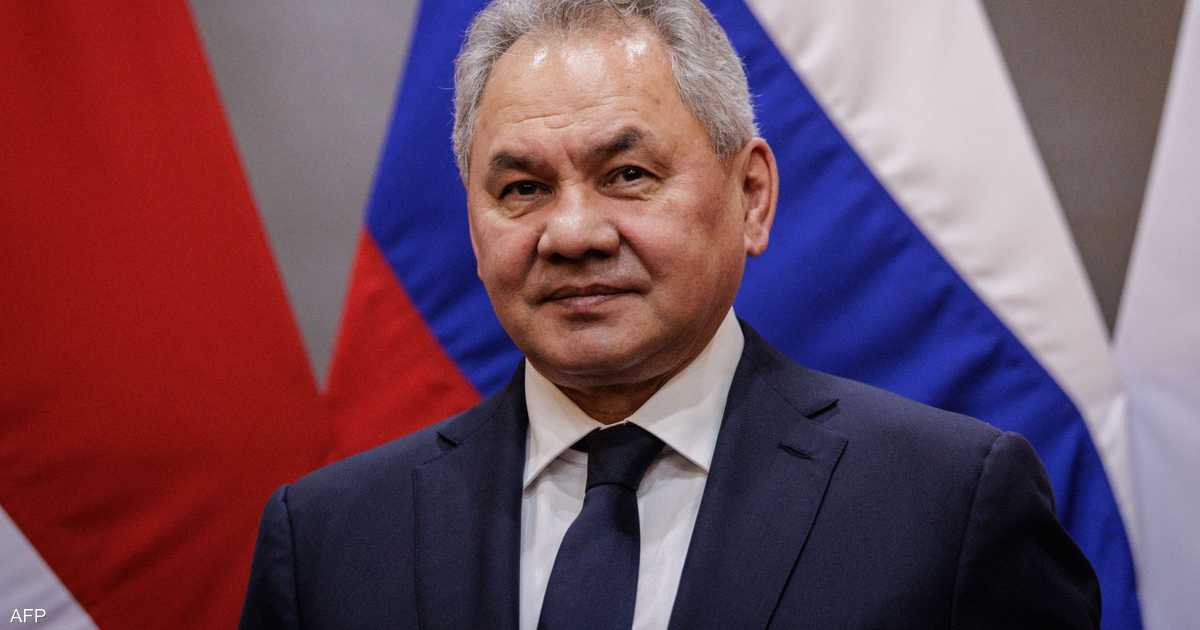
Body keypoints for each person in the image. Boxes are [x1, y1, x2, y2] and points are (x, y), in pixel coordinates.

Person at [239, 1, 1101, 628]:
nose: (572, 234)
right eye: (523, 189)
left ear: (752, 196)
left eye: (628, 175)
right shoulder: (329, 542)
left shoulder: (946, 507)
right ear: (473, 224)